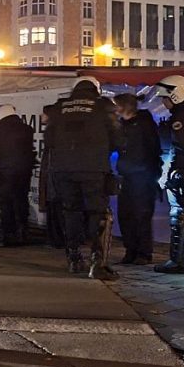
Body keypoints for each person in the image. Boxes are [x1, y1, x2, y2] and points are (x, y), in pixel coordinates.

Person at [48, 78, 121, 280]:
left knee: (70, 211)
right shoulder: (103, 106)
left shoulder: (59, 107)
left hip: (63, 169)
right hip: (93, 169)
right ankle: (98, 263)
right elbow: (118, 138)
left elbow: (49, 140)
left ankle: (73, 258)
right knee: (99, 213)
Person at [153, 75, 184, 274]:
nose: (163, 102)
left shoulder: (181, 117)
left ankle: (179, 259)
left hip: (180, 169)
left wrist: (168, 172)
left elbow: (178, 147)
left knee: (179, 213)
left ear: (175, 95)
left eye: (165, 98)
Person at [114, 94, 162, 265]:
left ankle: (143, 252)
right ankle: (130, 250)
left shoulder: (144, 124)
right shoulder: (121, 125)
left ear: (126, 107)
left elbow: (153, 149)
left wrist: (152, 172)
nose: (115, 109)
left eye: (117, 105)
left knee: (141, 215)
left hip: (143, 176)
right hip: (126, 175)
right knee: (125, 215)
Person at [0, 105, 36, 247]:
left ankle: (1, 236)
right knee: (21, 201)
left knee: (2, 203)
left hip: (5, 171)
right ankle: (21, 234)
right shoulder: (26, 129)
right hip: (24, 171)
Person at [39, 103, 66, 249]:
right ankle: (54, 238)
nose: (41, 117)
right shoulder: (54, 131)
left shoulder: (54, 133)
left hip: (54, 178)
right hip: (52, 178)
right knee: (53, 209)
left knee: (56, 209)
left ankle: (57, 239)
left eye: (44, 114)